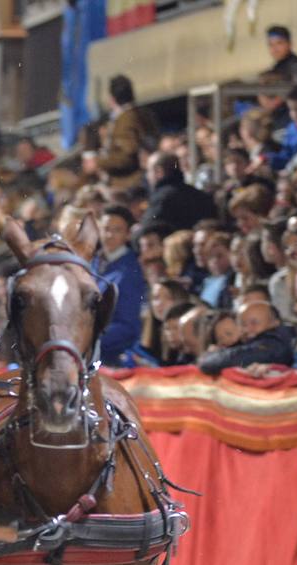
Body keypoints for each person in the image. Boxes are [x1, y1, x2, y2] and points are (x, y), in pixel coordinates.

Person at [92, 205, 147, 365]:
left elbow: (128, 325)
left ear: (128, 234)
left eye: (117, 230)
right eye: (106, 228)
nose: (109, 235)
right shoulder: (94, 262)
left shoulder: (130, 271)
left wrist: (87, 338)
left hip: (113, 356)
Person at [92, 75, 157, 188]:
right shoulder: (141, 114)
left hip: (127, 184)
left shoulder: (126, 120)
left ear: (112, 98)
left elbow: (127, 156)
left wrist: (98, 162)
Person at [197, 300, 295, 374]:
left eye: (254, 323)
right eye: (243, 324)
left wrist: (209, 356)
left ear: (275, 323)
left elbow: (220, 362)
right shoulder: (251, 342)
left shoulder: (275, 343)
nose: (247, 329)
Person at [141, 151, 217, 234]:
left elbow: (149, 227)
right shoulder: (197, 194)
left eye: (149, 171)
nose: (147, 176)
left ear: (159, 172)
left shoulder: (161, 198)